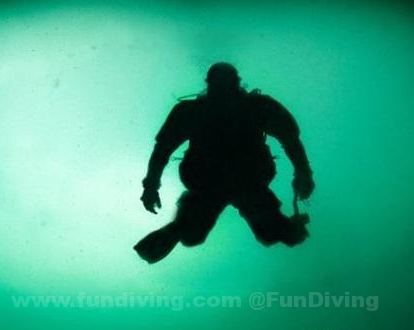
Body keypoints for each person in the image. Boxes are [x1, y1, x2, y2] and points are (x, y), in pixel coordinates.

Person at [133, 63, 316, 263]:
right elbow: (290, 139)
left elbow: (162, 150)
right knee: (195, 234)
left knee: (270, 232)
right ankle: (179, 229)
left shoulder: (193, 112)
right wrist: (303, 173)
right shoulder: (256, 107)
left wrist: (151, 186)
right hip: (237, 182)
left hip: (225, 182)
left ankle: (178, 230)